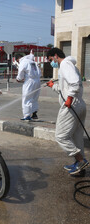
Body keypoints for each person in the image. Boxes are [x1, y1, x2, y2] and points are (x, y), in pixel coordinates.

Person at [46, 47, 89, 175]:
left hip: (72, 105)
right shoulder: (69, 65)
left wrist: (69, 99)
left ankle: (80, 160)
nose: (51, 63)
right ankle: (80, 167)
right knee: (76, 138)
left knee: (60, 136)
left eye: (50, 60)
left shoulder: (65, 64)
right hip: (79, 104)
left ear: (55, 56)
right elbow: (66, 87)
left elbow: (75, 83)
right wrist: (53, 86)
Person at [15, 51, 41, 120]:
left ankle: (27, 116)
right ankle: (34, 113)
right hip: (37, 81)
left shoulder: (23, 62)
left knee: (26, 98)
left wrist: (18, 79)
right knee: (34, 97)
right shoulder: (32, 62)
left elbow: (20, 73)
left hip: (29, 82)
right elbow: (39, 71)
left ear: (17, 59)